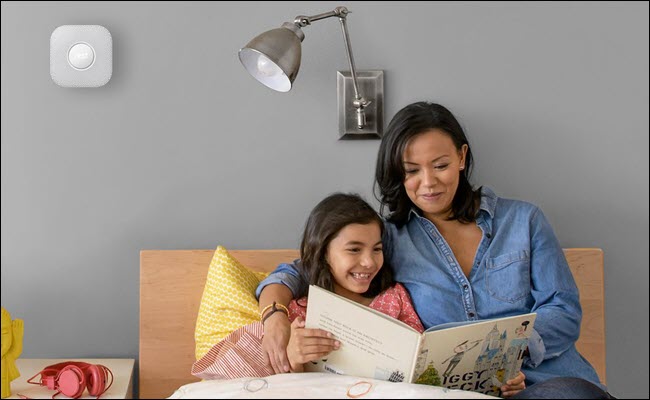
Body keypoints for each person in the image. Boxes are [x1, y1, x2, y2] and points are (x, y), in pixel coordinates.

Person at [256, 102, 613, 399]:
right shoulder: (389, 239)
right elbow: (300, 270)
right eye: (411, 171)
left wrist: (507, 358)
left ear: (461, 157)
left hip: (544, 383)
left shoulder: (524, 220)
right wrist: (274, 317)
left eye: (440, 165)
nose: (428, 183)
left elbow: (563, 309)